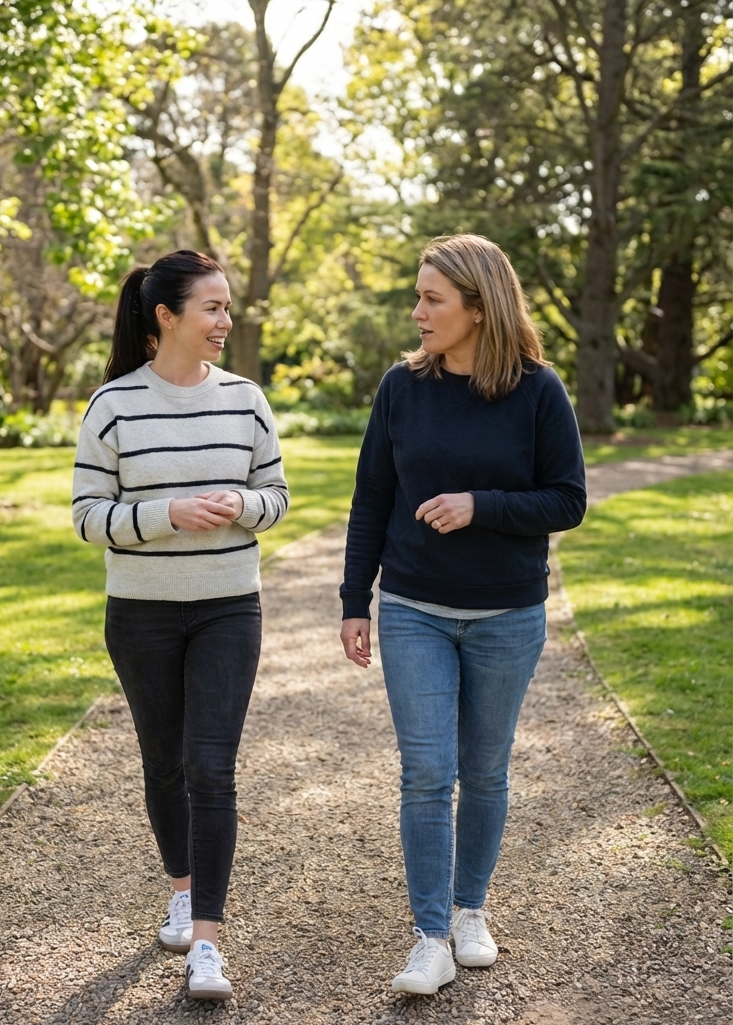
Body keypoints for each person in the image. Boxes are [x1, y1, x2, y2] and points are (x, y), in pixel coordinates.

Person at [339, 234, 586, 996]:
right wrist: (356, 601)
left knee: (483, 769)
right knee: (426, 772)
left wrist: (481, 507)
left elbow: (568, 499)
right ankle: (430, 935)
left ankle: (471, 908)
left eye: (432, 299)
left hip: (508, 614)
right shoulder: (401, 388)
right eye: (419, 297)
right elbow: (371, 498)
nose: (417, 312)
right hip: (413, 607)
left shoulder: (539, 391)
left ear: (478, 309)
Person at [72, 251, 288, 1001]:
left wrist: (242, 506)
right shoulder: (113, 406)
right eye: (213, 309)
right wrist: (168, 515)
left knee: (211, 767)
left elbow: (277, 495)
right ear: (166, 316)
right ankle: (181, 888)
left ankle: (207, 945)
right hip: (141, 614)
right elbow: (87, 517)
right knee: (162, 763)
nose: (226, 322)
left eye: (228, 309)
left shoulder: (246, 400)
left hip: (230, 605)